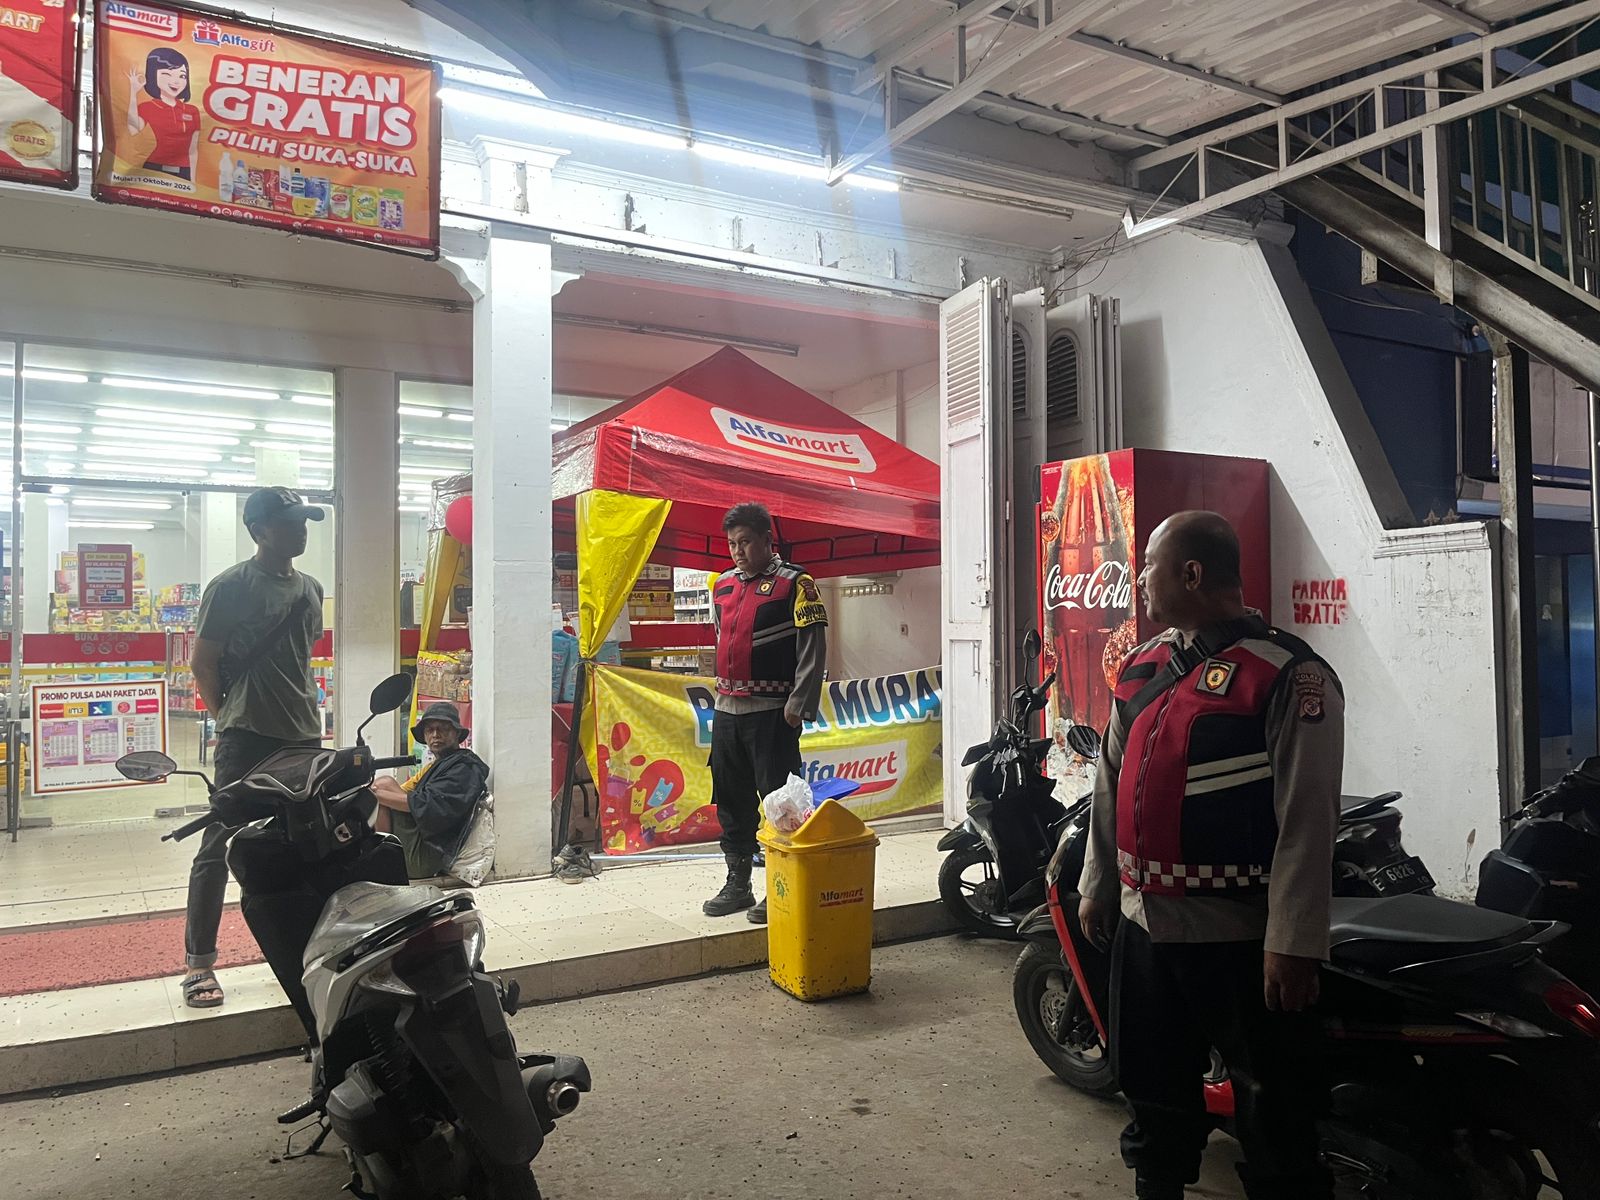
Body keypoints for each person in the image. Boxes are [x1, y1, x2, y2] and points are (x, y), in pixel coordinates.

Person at [1077, 511, 1342, 1200]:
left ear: (1191, 574)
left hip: (1240, 941)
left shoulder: (1288, 675)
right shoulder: (1141, 666)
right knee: (1153, 1096)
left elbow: (1308, 818)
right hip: (1144, 930)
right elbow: (1109, 780)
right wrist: (1097, 883)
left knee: (1274, 1116)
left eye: (1149, 565)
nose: (1139, 578)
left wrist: (1292, 942)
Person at [182, 487, 326, 1009]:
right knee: (218, 844)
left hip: (303, 735)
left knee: (310, 845)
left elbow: (300, 659)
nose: (301, 530)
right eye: (290, 522)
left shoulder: (311, 589)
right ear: (260, 530)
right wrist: (228, 719)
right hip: (246, 737)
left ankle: (311, 952)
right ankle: (199, 963)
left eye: (304, 521)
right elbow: (203, 663)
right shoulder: (231, 587)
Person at [702, 502, 827, 923]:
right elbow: (721, 637)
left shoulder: (796, 583)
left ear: (767, 540)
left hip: (773, 714)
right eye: (732, 544)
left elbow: (813, 646)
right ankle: (738, 884)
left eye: (746, 542)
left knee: (781, 803)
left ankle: (781, 887)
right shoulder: (721, 585)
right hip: (727, 713)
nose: (738, 551)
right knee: (731, 800)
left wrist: (798, 706)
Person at [372, 701, 489, 880]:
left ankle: (385, 860)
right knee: (384, 784)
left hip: (426, 856)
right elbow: (406, 791)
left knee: (382, 788)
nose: (435, 735)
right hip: (421, 842)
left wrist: (374, 795)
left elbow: (426, 805)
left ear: (457, 733)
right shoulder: (439, 765)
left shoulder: (464, 768)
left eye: (443, 729)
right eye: (430, 730)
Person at [125, 48, 200, 181]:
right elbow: (133, 129)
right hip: (153, 168)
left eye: (182, 76)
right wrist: (133, 92)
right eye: (167, 74)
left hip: (183, 171)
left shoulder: (192, 111)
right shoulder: (148, 107)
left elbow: (193, 150)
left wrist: (193, 181)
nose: (176, 81)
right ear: (153, 75)